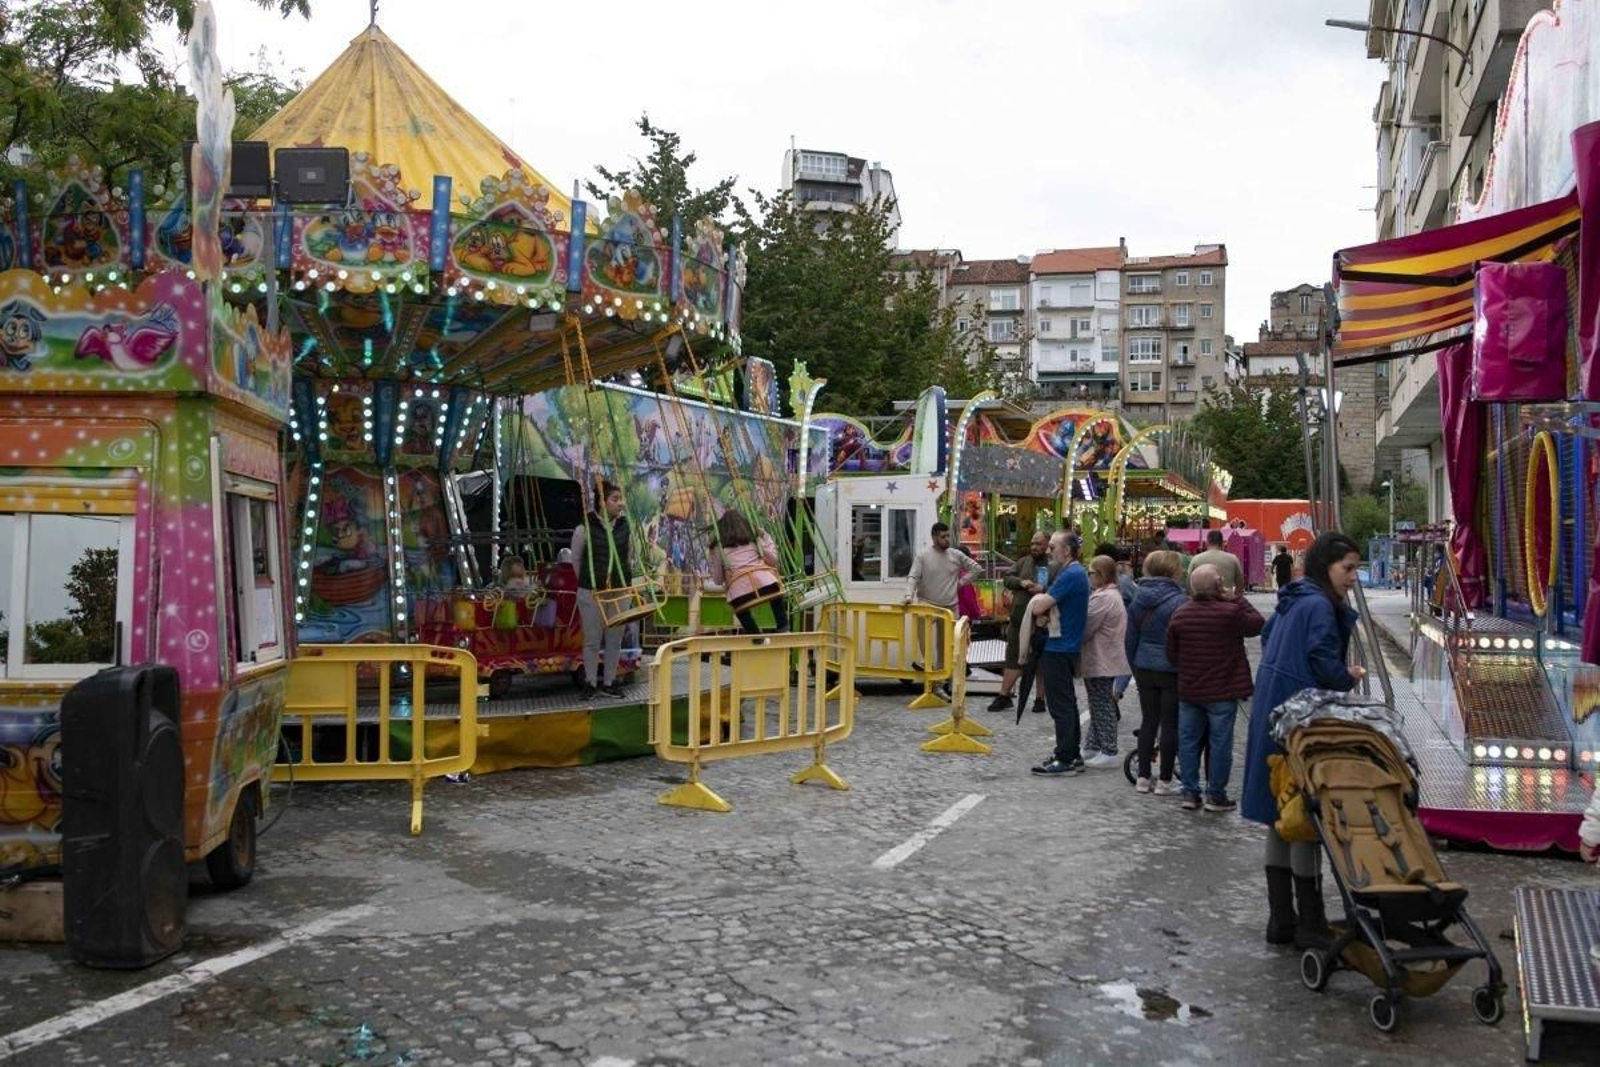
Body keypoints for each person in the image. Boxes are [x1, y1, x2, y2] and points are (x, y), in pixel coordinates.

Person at [1241, 531, 1366, 950]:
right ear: (1326, 567)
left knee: (1280, 815)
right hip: (1299, 718)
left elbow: (1267, 634)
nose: (1353, 577)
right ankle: (1310, 924)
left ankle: (1282, 920)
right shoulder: (1318, 605)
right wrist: (1348, 676)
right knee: (1303, 815)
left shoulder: (1296, 598)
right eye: (1347, 568)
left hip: (1273, 711)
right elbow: (1324, 663)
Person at [1165, 563, 1264, 812]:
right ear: (1219, 585)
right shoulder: (1230, 613)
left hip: (1190, 689)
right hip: (1223, 689)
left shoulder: (1180, 613)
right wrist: (1237, 599)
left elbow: (1171, 654)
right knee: (1220, 743)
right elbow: (1258, 624)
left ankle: (1190, 792)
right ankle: (1215, 795)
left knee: (1188, 742)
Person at [1125, 549, 1188, 795]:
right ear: (1174, 570)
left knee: (1149, 721)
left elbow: (1130, 640)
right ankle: (1164, 780)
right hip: (1171, 668)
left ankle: (1142, 777)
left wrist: (1134, 666)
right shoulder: (1180, 601)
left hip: (1144, 667)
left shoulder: (1137, 599)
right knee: (1169, 724)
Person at [1028, 532, 1090, 776]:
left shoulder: (1070, 574)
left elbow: (1040, 605)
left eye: (1053, 546)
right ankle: (1071, 753)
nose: (1048, 550)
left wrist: (1039, 605)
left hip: (1059, 645)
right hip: (1065, 644)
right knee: (1067, 703)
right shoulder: (1076, 572)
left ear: (1066, 550)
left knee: (1060, 705)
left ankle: (1065, 757)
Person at [570, 481, 631, 699]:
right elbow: (575, 559)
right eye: (615, 499)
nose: (619, 504)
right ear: (602, 502)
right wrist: (587, 582)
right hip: (592, 592)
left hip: (619, 591)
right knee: (592, 639)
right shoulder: (584, 528)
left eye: (619, 499)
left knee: (615, 638)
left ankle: (609, 681)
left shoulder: (625, 526)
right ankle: (590, 681)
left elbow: (628, 556)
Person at [988, 531, 1056, 714]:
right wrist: (1021, 582)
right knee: (1013, 657)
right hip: (1019, 619)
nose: (1034, 547)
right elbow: (1007, 578)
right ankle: (1004, 695)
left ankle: (1040, 699)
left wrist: (1044, 588)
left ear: (1048, 545)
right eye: (1033, 543)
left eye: (1039, 544)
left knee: (1041, 661)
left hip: (1043, 621)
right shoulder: (1024, 561)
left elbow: (1060, 587)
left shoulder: (1054, 565)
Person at [905, 521, 977, 692]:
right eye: (943, 537)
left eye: (948, 536)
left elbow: (976, 568)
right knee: (924, 636)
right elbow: (913, 577)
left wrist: (961, 583)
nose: (947, 540)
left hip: (950, 608)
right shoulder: (923, 556)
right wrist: (908, 595)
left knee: (946, 646)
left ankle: (941, 682)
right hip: (927, 604)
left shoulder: (955, 555)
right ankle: (926, 665)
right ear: (934, 537)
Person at [1080, 555, 1131, 767]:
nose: (1089, 576)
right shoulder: (1110, 595)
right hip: (1104, 657)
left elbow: (1087, 627)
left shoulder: (1103, 598)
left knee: (1102, 704)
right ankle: (1093, 744)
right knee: (1098, 702)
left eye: (1091, 572)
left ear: (1100, 575)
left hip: (1102, 658)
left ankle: (1109, 749)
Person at [707, 510, 787, 635]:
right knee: (776, 596)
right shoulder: (753, 539)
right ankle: (783, 627)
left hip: (741, 595)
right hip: (767, 586)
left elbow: (718, 580)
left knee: (739, 609)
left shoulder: (717, 547)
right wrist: (765, 536)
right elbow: (773, 560)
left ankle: (756, 636)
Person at [1191, 529, 1243, 596]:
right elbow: (1240, 584)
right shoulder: (1233, 559)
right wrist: (1234, 598)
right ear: (1222, 543)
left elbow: (1189, 583)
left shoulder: (1196, 559)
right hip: (1226, 601)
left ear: (1207, 543)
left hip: (1203, 602)